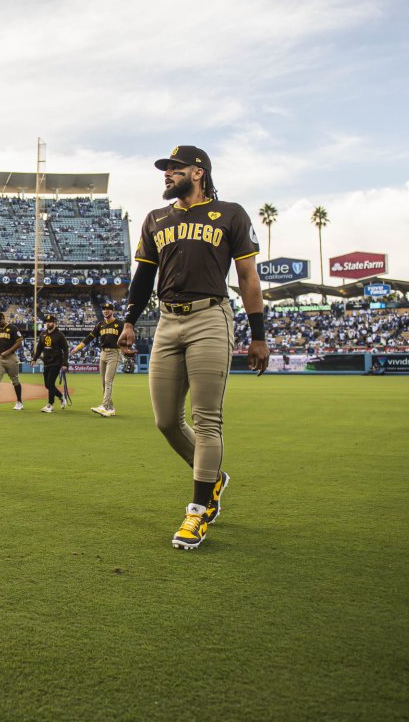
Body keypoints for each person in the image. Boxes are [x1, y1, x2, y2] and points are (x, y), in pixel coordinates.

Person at [117, 145, 269, 551]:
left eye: (175, 168)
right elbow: (142, 279)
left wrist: (258, 334)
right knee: (166, 421)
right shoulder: (156, 219)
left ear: (198, 173)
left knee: (206, 420)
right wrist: (129, 321)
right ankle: (212, 477)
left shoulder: (231, 214)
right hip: (168, 321)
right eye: (165, 169)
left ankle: (198, 512)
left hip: (210, 317)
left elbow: (248, 276)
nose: (167, 174)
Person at [72, 301, 123, 417]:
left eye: (108, 309)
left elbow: (126, 338)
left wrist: (126, 349)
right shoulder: (100, 325)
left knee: (108, 381)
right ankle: (111, 408)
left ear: (112, 311)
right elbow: (89, 338)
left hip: (114, 353)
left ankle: (104, 406)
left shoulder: (120, 324)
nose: (105, 311)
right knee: (103, 383)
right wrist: (78, 348)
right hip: (103, 354)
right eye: (104, 309)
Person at [31, 314, 69, 413]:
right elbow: (39, 348)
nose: (48, 323)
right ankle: (61, 396)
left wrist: (65, 363)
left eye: (50, 322)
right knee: (47, 385)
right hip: (46, 361)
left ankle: (50, 405)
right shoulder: (43, 334)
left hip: (56, 362)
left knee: (51, 383)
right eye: (46, 322)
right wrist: (34, 359)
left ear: (54, 323)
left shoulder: (60, 335)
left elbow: (65, 349)